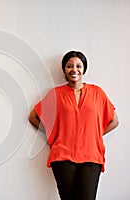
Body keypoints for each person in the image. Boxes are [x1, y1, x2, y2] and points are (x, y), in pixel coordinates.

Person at [28, 50, 119, 200]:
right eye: (69, 66)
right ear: (64, 69)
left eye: (78, 66)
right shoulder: (56, 94)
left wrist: (94, 134)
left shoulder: (97, 93)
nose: (74, 70)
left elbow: (114, 121)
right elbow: (33, 116)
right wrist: (53, 134)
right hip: (63, 157)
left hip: (91, 157)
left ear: (84, 69)